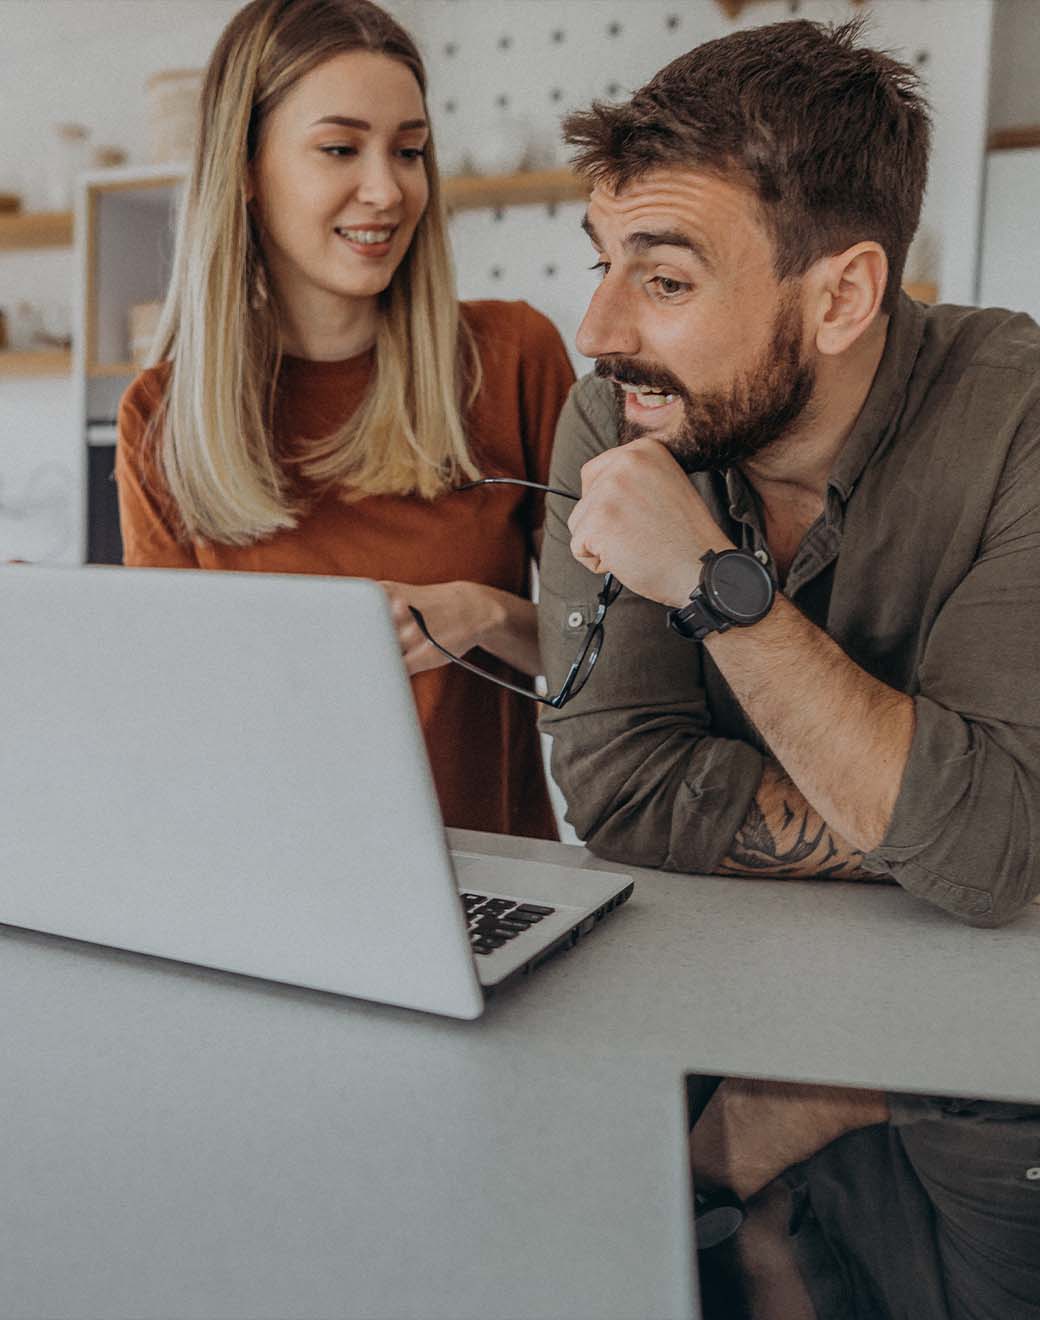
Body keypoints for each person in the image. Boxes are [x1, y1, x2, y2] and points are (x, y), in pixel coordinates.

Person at [536, 18, 1040, 1320]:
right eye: (601, 266)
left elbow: (992, 846)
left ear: (842, 296)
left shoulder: (1022, 419)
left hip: (985, 1095)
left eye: (663, 280)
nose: (597, 330)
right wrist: (926, 802)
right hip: (709, 1037)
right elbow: (623, 789)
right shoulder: (623, 413)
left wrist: (712, 581)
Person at [116, 0, 575, 841]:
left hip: (491, 886)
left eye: (409, 150)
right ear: (247, 170)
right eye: (339, 148)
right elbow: (172, 720)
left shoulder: (513, 357)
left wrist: (486, 614)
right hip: (261, 877)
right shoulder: (159, 417)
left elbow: (624, 661)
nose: (386, 188)